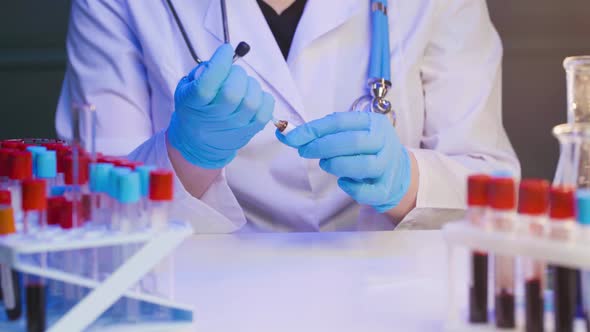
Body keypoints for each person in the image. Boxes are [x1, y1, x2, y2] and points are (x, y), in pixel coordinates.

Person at [56, 0, 520, 233]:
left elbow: (496, 184)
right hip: (204, 296)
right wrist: (185, 156)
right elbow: (96, 209)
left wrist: (409, 182)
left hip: (393, 297)